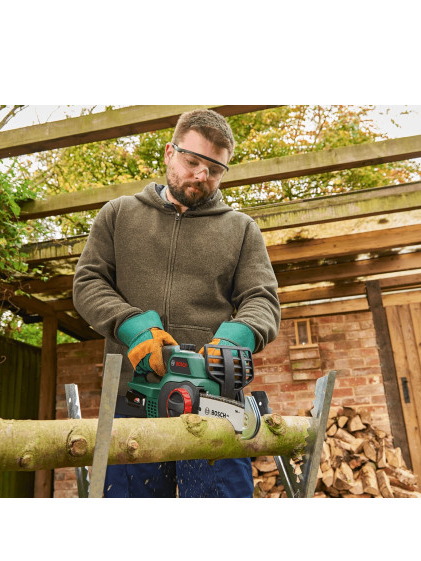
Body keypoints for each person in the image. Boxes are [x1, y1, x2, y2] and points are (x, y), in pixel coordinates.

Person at [72, 109, 280, 497]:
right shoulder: (119, 215)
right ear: (170, 152)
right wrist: (132, 327)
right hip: (134, 402)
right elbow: (88, 283)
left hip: (215, 404)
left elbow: (262, 299)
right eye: (193, 162)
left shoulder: (241, 229)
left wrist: (237, 337)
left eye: (214, 169)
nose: (202, 175)